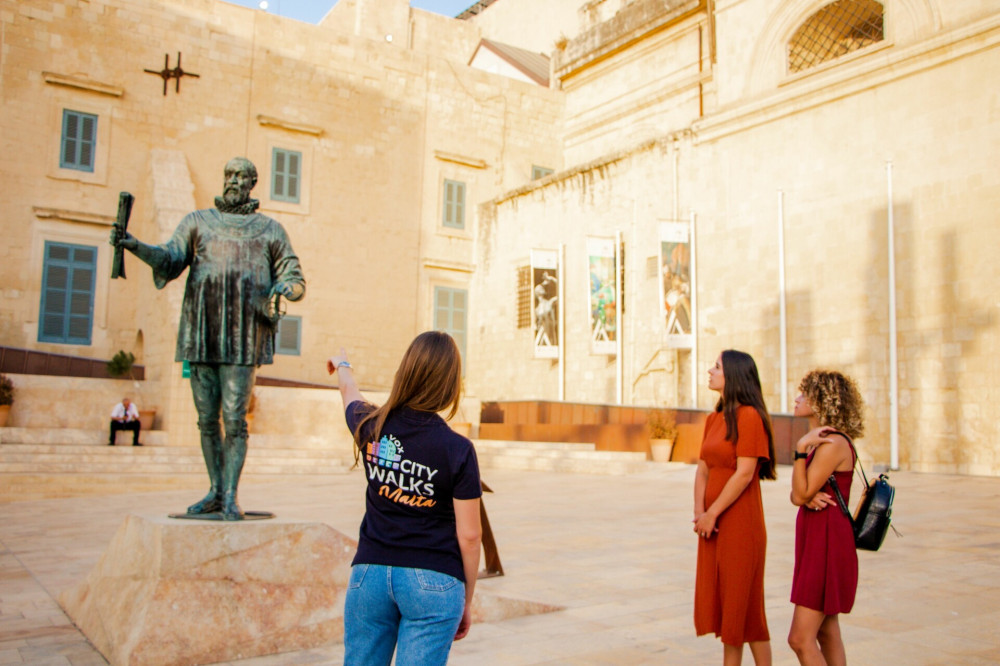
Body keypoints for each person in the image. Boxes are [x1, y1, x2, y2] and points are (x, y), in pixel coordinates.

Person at [112, 157, 305, 520]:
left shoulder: (270, 230)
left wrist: (284, 288)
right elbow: (169, 260)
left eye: (240, 176)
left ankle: (230, 495)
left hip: (243, 338)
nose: (232, 181)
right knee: (205, 420)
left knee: (234, 419)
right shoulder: (197, 223)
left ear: (252, 182)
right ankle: (215, 491)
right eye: (228, 174)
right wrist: (133, 245)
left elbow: (294, 277)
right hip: (202, 332)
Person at [327, 331, 483, 665]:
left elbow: (348, 391)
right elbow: (470, 537)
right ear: (450, 384)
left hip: (369, 574)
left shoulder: (370, 425)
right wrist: (466, 600)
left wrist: (342, 364)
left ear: (406, 372)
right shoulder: (458, 450)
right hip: (434, 581)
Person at [693, 350, 777, 666]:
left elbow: (744, 473)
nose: (709, 371)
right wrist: (701, 511)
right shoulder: (713, 419)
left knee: (745, 608)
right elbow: (703, 469)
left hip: (740, 523)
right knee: (731, 608)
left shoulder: (749, 417)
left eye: (716, 367)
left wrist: (713, 512)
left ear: (735, 375)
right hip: (712, 525)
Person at [787, 370, 865, 665]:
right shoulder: (823, 442)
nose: (797, 398)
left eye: (804, 394)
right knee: (827, 632)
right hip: (819, 537)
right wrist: (804, 496)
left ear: (822, 401)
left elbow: (801, 492)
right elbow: (798, 496)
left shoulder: (832, 443)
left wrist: (798, 450)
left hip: (827, 542)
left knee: (799, 639)